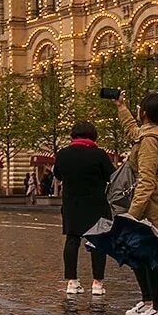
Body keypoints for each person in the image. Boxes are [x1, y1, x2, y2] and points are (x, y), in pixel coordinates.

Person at [117, 92, 158, 315]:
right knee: (140, 253)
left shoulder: (151, 141)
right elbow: (134, 132)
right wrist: (122, 108)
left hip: (153, 203)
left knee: (151, 254)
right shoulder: (153, 134)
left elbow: (146, 180)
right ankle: (149, 302)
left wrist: (132, 215)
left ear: (144, 113)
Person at [52, 121, 113, 296]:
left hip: (72, 204)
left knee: (72, 241)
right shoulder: (99, 154)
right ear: (93, 136)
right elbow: (111, 175)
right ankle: (97, 283)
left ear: (73, 135)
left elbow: (58, 174)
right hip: (96, 205)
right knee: (98, 243)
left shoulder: (63, 154)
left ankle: (72, 282)